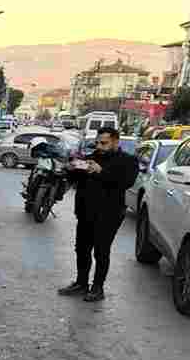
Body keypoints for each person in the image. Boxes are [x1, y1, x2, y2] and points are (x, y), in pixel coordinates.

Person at [58, 127, 138, 302]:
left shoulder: (128, 161)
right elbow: (76, 181)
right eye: (98, 142)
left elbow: (124, 182)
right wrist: (72, 168)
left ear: (116, 141)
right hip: (85, 211)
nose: (100, 146)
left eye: (104, 143)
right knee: (81, 249)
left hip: (109, 214)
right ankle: (81, 283)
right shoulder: (90, 157)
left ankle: (98, 287)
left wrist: (101, 171)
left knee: (101, 251)